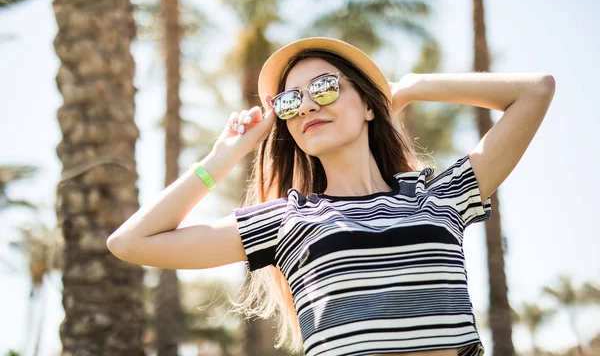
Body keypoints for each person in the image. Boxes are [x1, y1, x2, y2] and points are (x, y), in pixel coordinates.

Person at [107, 37, 555, 356]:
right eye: (288, 101)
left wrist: (412, 86)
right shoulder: (287, 220)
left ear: (367, 105)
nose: (305, 106)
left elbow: (535, 91)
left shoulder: (438, 198)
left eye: (325, 87)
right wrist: (224, 155)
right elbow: (130, 242)